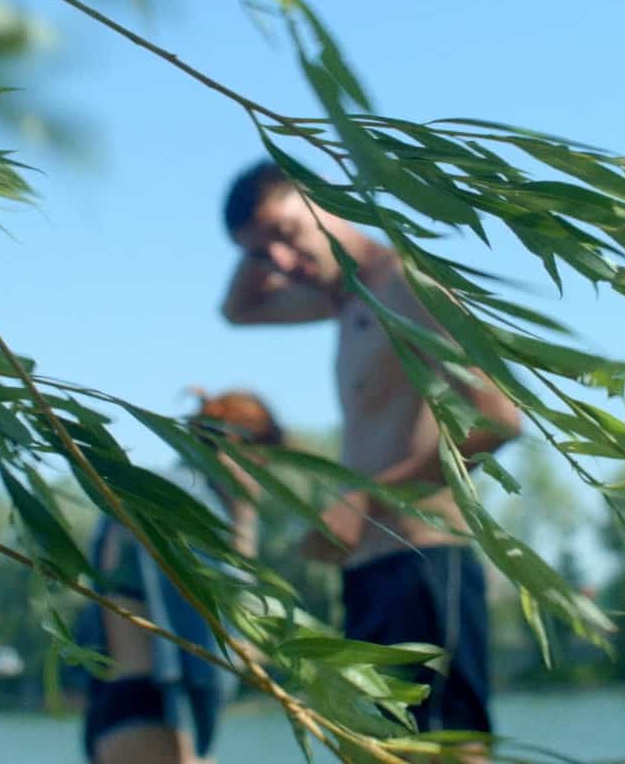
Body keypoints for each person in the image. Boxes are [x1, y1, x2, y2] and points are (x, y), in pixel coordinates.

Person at [218, 161, 521, 742]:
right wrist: (266, 242)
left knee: (448, 749)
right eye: (262, 256)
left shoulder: (407, 284)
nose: (278, 264)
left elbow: (498, 420)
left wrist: (362, 504)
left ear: (325, 201)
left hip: (427, 563)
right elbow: (237, 311)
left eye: (286, 234)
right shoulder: (342, 299)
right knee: (383, 752)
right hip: (371, 572)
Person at [77, 389, 282, 764]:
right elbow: (226, 638)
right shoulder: (190, 505)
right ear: (240, 447)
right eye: (265, 459)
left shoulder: (152, 486)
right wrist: (245, 523)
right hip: (155, 711)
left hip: (115, 705)